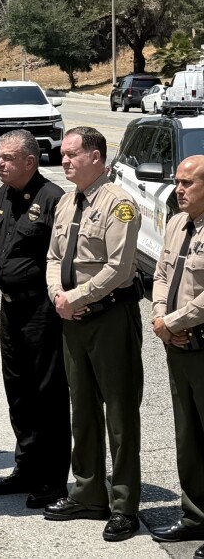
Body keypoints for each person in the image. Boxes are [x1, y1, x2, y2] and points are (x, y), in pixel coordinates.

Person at [44, 126, 144, 543]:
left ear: (97, 157)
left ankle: (123, 506)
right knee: (81, 408)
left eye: (72, 154)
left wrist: (77, 296)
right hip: (73, 319)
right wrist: (58, 295)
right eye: (63, 154)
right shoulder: (68, 201)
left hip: (109, 318)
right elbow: (53, 256)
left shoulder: (119, 204)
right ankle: (87, 492)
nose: (64, 160)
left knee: (119, 414)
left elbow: (120, 268)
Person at [0, 130, 70, 509]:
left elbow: (62, 261)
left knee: (47, 395)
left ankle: (52, 480)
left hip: (40, 310)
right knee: (17, 390)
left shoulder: (52, 199)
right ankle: (26, 467)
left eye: (7, 158)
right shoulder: (4, 193)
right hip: (10, 308)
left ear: (30, 162)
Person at [150, 155, 204, 554]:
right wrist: (159, 317)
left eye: (187, 183)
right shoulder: (174, 223)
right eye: (177, 182)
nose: (178, 190)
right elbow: (161, 274)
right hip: (177, 345)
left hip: (200, 344)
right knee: (187, 437)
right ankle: (195, 516)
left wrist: (176, 321)